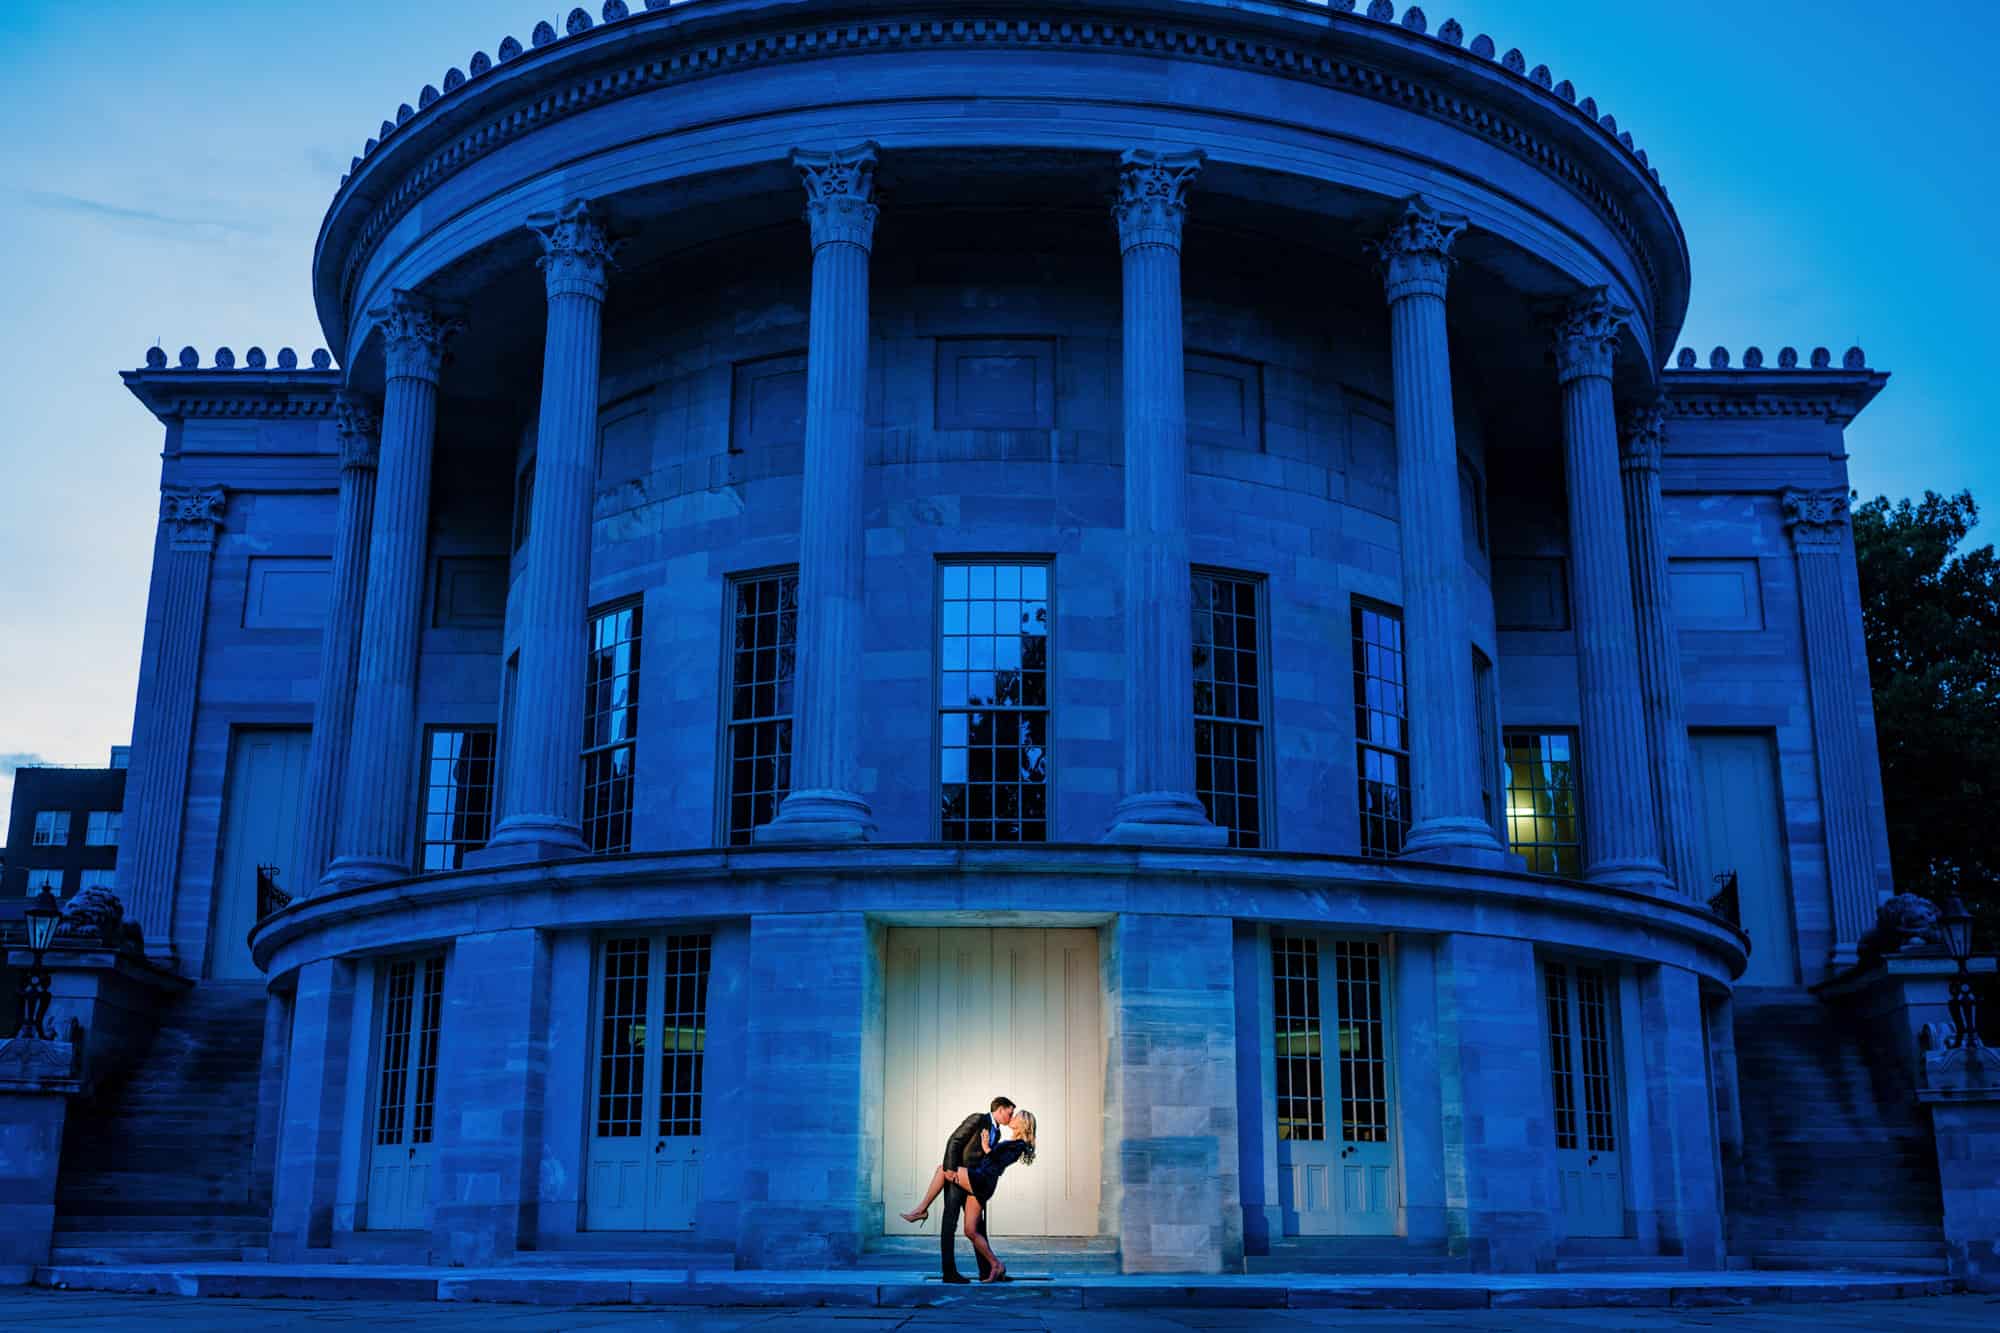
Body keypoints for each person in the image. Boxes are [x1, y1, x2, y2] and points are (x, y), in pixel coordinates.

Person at [902, 1108, 1038, 1283]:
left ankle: (922, 1209)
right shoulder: (1012, 1141)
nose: (1012, 1117)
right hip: (981, 1180)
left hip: (982, 1180)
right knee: (970, 1230)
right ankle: (996, 1265)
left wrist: (986, 1148)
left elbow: (998, 1163)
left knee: (943, 1169)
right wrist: (987, 1148)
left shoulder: (1019, 1145)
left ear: (1023, 1123)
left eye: (1016, 1116)